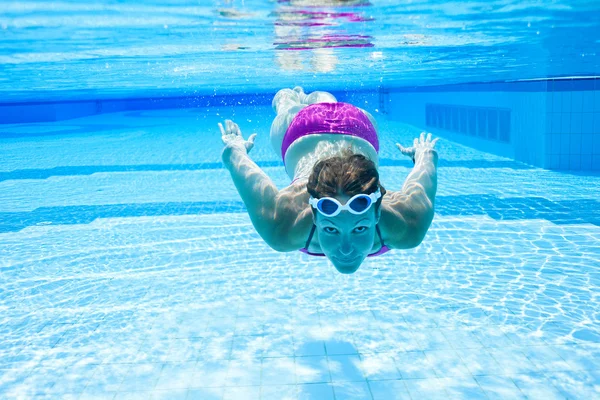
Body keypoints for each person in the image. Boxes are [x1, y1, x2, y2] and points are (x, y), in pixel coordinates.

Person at [219, 87, 438, 274]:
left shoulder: (282, 228)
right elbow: (233, 158)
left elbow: (427, 164)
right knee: (287, 105)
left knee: (299, 105)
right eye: (331, 230)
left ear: (377, 212)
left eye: (361, 229)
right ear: (313, 214)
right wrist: (235, 148)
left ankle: (293, 99)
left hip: (347, 126)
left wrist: (235, 147)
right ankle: (289, 100)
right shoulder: (408, 226)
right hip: (332, 126)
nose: (345, 249)